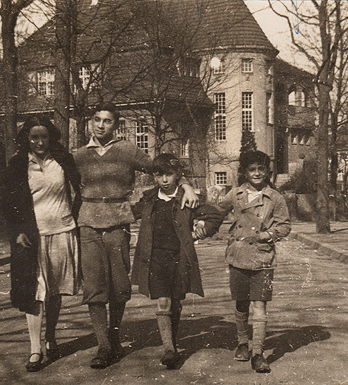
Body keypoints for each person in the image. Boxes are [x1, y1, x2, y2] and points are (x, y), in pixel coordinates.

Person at [73, 102, 198, 369]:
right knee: (94, 288)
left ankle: (115, 338)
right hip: (88, 224)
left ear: (115, 125)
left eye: (107, 121)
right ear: (91, 122)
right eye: (97, 120)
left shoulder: (128, 150)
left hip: (118, 222)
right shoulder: (79, 155)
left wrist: (186, 185)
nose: (101, 125)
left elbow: (162, 168)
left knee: (119, 287)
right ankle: (103, 346)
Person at [2, 116, 82, 372]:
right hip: (33, 237)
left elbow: (82, 187)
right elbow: (6, 203)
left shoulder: (63, 160)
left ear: (51, 137)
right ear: (27, 138)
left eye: (44, 137)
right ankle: (35, 349)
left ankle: (51, 337)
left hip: (63, 231)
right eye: (34, 137)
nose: (39, 142)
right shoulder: (17, 165)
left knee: (54, 291)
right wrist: (16, 231)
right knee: (35, 292)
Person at [131, 153, 223, 369]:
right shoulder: (149, 198)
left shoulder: (187, 198)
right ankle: (169, 349)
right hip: (155, 258)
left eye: (169, 175)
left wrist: (198, 233)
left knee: (176, 301)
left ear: (177, 175)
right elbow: (128, 213)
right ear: (154, 176)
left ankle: (172, 339)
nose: (164, 180)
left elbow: (215, 216)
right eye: (159, 175)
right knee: (163, 301)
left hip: (179, 258)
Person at [217, 150, 291, 373]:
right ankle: (242, 343)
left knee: (259, 305)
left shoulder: (275, 197)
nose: (257, 173)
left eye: (261, 169)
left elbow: (285, 226)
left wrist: (264, 236)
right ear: (244, 172)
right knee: (241, 303)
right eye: (252, 169)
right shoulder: (235, 194)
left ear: (267, 171)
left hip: (263, 258)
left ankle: (258, 353)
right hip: (238, 256)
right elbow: (217, 212)